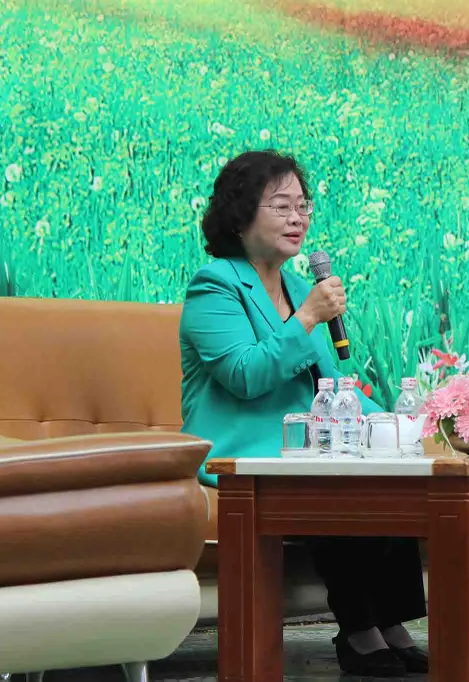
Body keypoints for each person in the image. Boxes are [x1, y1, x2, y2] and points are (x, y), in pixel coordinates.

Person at [180, 150, 428, 677]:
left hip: (302, 445)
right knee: (334, 486)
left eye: (303, 205)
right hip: (242, 451)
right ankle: (359, 633)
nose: (298, 218)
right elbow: (245, 374)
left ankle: (391, 623)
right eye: (282, 206)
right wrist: (309, 318)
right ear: (240, 215)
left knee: (392, 471)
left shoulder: (297, 287)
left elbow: (330, 383)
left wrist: (395, 425)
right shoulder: (214, 285)